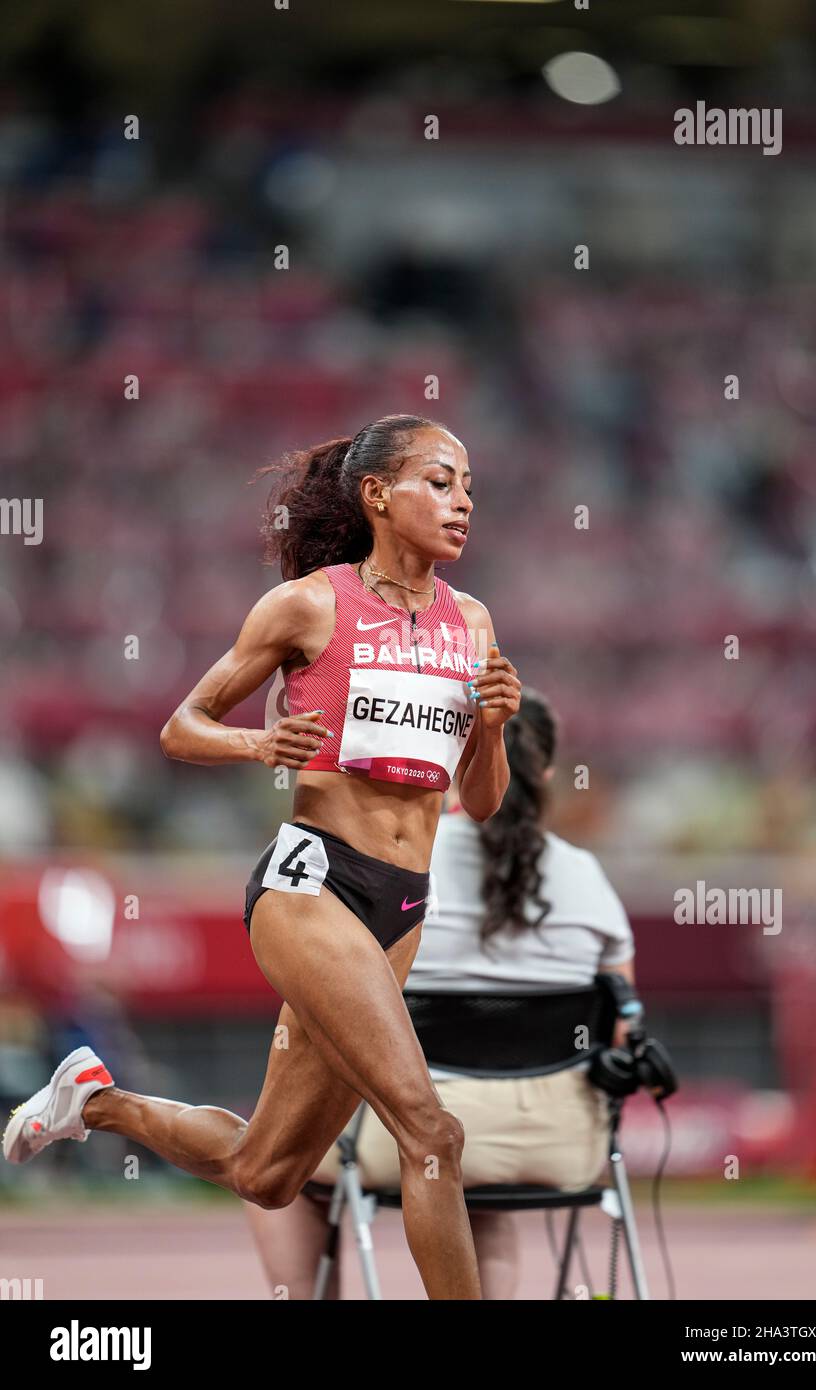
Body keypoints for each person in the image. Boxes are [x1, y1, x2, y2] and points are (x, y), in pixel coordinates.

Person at [2, 413, 522, 1302]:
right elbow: (182, 724)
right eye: (438, 482)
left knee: (265, 1171)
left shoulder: (471, 624)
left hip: (403, 903)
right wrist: (260, 746)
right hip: (312, 885)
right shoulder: (311, 604)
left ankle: (92, 1102)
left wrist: (495, 730)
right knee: (430, 1133)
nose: (462, 501)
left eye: (468, 486)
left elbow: (479, 801)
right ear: (376, 496)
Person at [245, 687, 636, 1299]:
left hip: (395, 1142)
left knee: (269, 1152)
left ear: (449, 753)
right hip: (562, 1146)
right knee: (482, 1183)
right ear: (550, 773)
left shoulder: (397, 872)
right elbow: (624, 1034)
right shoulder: (588, 878)